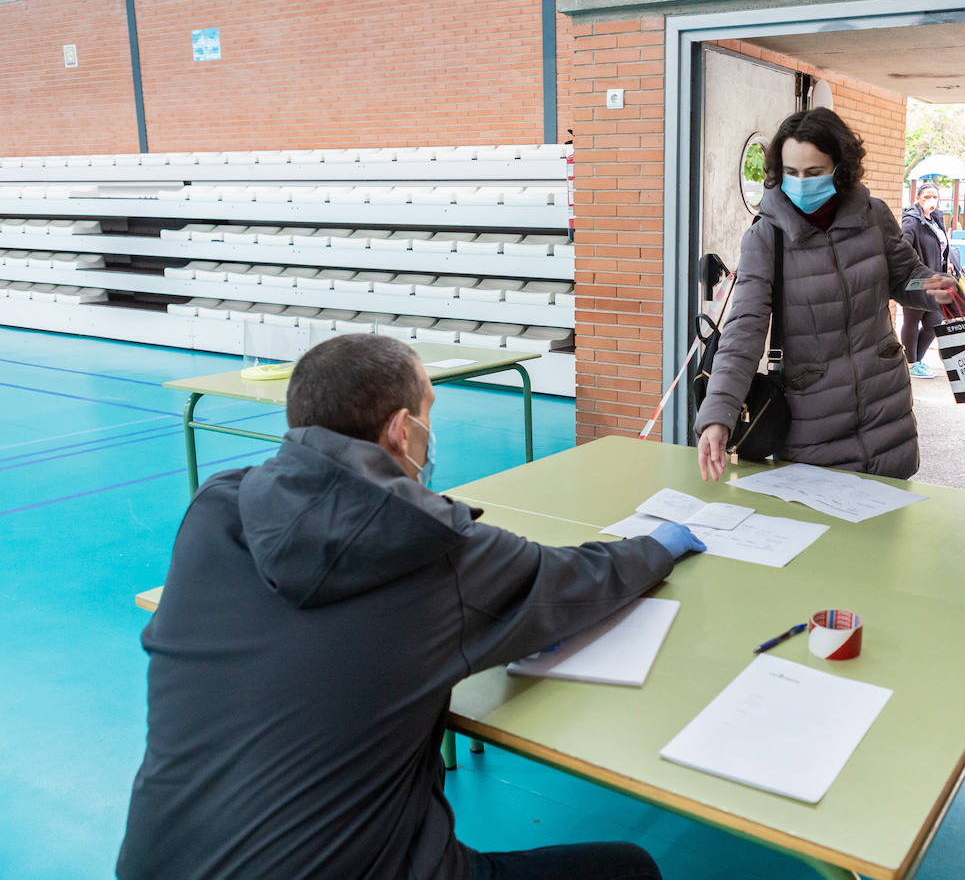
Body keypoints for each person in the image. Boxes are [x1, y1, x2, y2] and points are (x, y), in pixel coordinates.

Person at [118, 333, 705, 880]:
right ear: (402, 430)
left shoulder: (215, 510)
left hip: (155, 864)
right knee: (628, 868)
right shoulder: (434, 553)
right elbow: (579, 581)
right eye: (429, 413)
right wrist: (659, 544)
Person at [695, 108, 957, 482]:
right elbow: (743, 331)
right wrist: (719, 413)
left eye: (814, 172)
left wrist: (931, 286)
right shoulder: (766, 238)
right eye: (791, 173)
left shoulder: (873, 216)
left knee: (886, 531)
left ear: (840, 167)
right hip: (811, 422)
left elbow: (905, 276)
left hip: (885, 412)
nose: (801, 183)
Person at [899, 181, 951, 379]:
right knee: (912, 320)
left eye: (935, 197)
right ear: (918, 198)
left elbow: (941, 246)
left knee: (935, 322)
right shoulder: (912, 220)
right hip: (917, 279)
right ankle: (912, 364)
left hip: (936, 279)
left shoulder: (936, 220)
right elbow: (903, 246)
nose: (931, 200)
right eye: (927, 196)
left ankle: (912, 361)